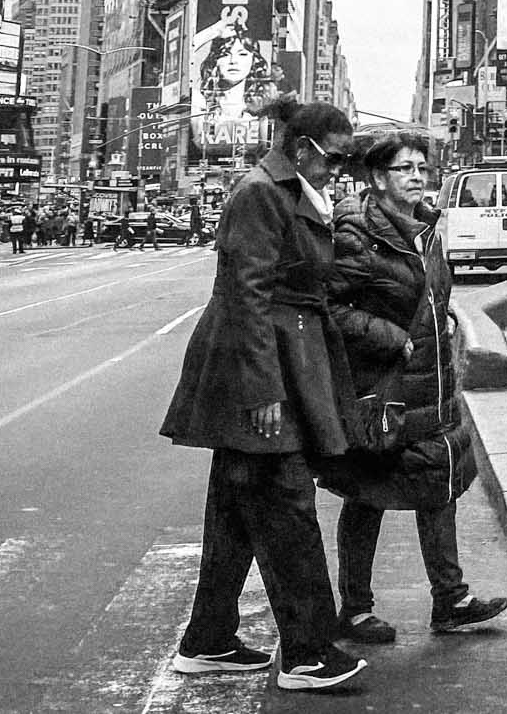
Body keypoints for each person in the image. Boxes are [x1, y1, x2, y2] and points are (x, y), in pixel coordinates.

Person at [158, 97, 367, 693]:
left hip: (285, 352)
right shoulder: (261, 193)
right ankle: (306, 653)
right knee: (285, 501)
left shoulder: (294, 189)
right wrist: (262, 388)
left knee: (235, 504)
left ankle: (209, 639)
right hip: (258, 360)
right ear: (303, 149)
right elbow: (244, 294)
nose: (338, 170)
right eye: (334, 159)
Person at [318, 133, 507, 643]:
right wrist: (391, 338)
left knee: (438, 483)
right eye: (405, 168)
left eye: (421, 166)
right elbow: (330, 309)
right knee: (367, 495)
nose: (417, 176)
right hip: (383, 390)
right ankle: (355, 609)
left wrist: (441, 327)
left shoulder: (427, 229)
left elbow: (434, 298)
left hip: (432, 382)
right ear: (378, 178)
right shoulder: (356, 232)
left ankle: (451, 599)